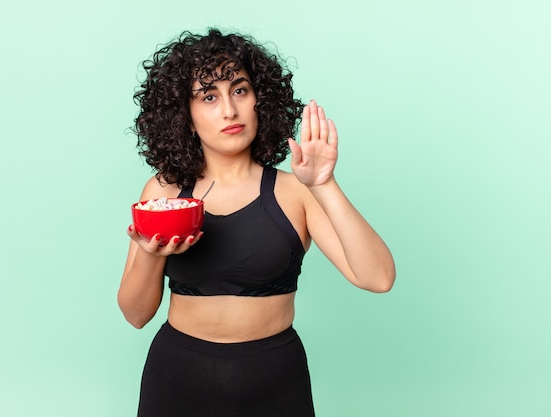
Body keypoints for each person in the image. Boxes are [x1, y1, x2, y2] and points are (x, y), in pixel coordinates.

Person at [118, 28, 396, 417]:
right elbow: (135, 315)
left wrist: (325, 184)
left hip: (275, 384)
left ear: (259, 101)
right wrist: (150, 254)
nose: (229, 111)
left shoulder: (295, 192)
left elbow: (378, 278)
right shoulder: (163, 192)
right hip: (175, 379)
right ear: (186, 115)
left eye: (240, 90)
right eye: (209, 97)